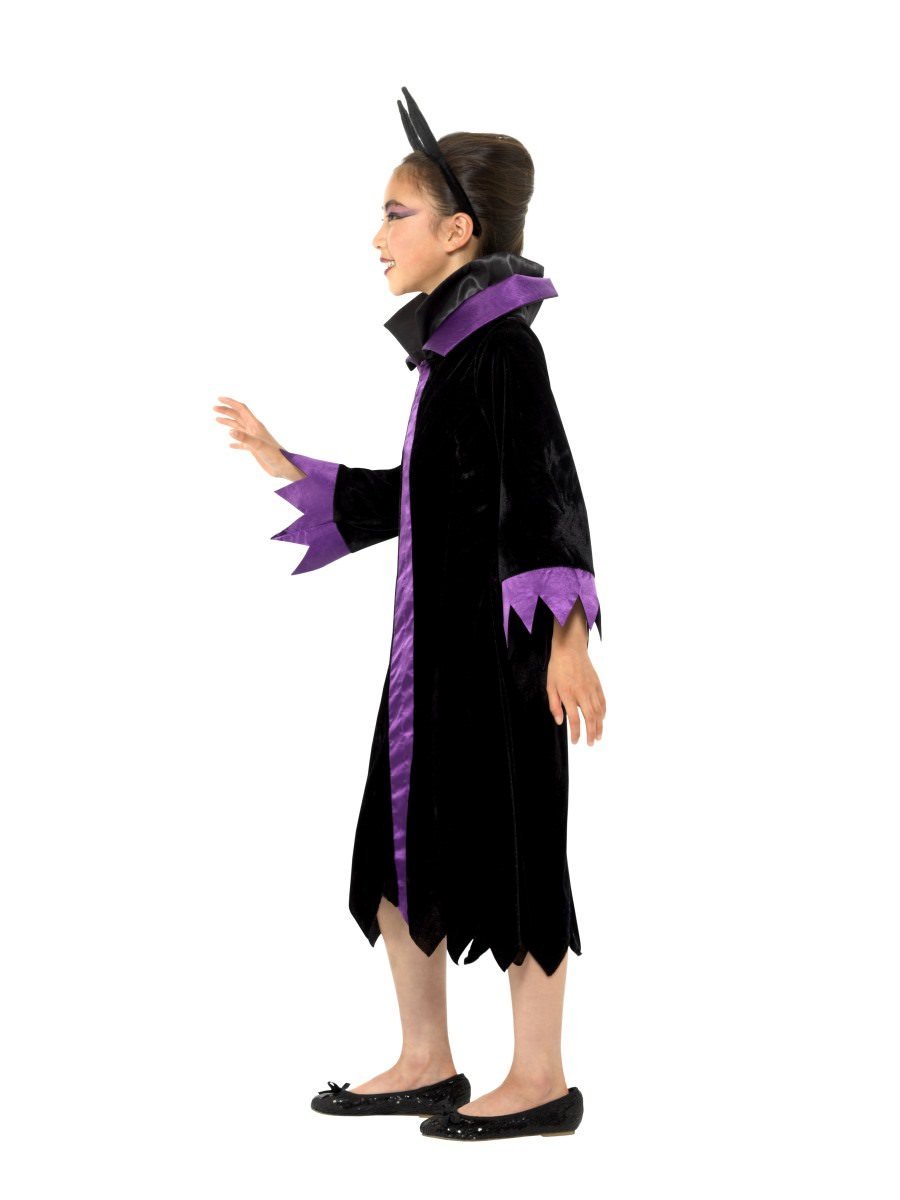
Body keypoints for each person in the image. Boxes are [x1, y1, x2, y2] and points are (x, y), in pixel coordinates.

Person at [213, 87, 606, 1142]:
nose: (378, 235)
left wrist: (568, 646)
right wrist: (286, 462)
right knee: (392, 850)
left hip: (507, 657)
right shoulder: (451, 358)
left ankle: (541, 1079)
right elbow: (426, 497)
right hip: (431, 660)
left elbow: (548, 497)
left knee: (517, 850)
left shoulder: (504, 353)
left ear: (459, 231)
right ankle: (426, 1057)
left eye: (396, 213)